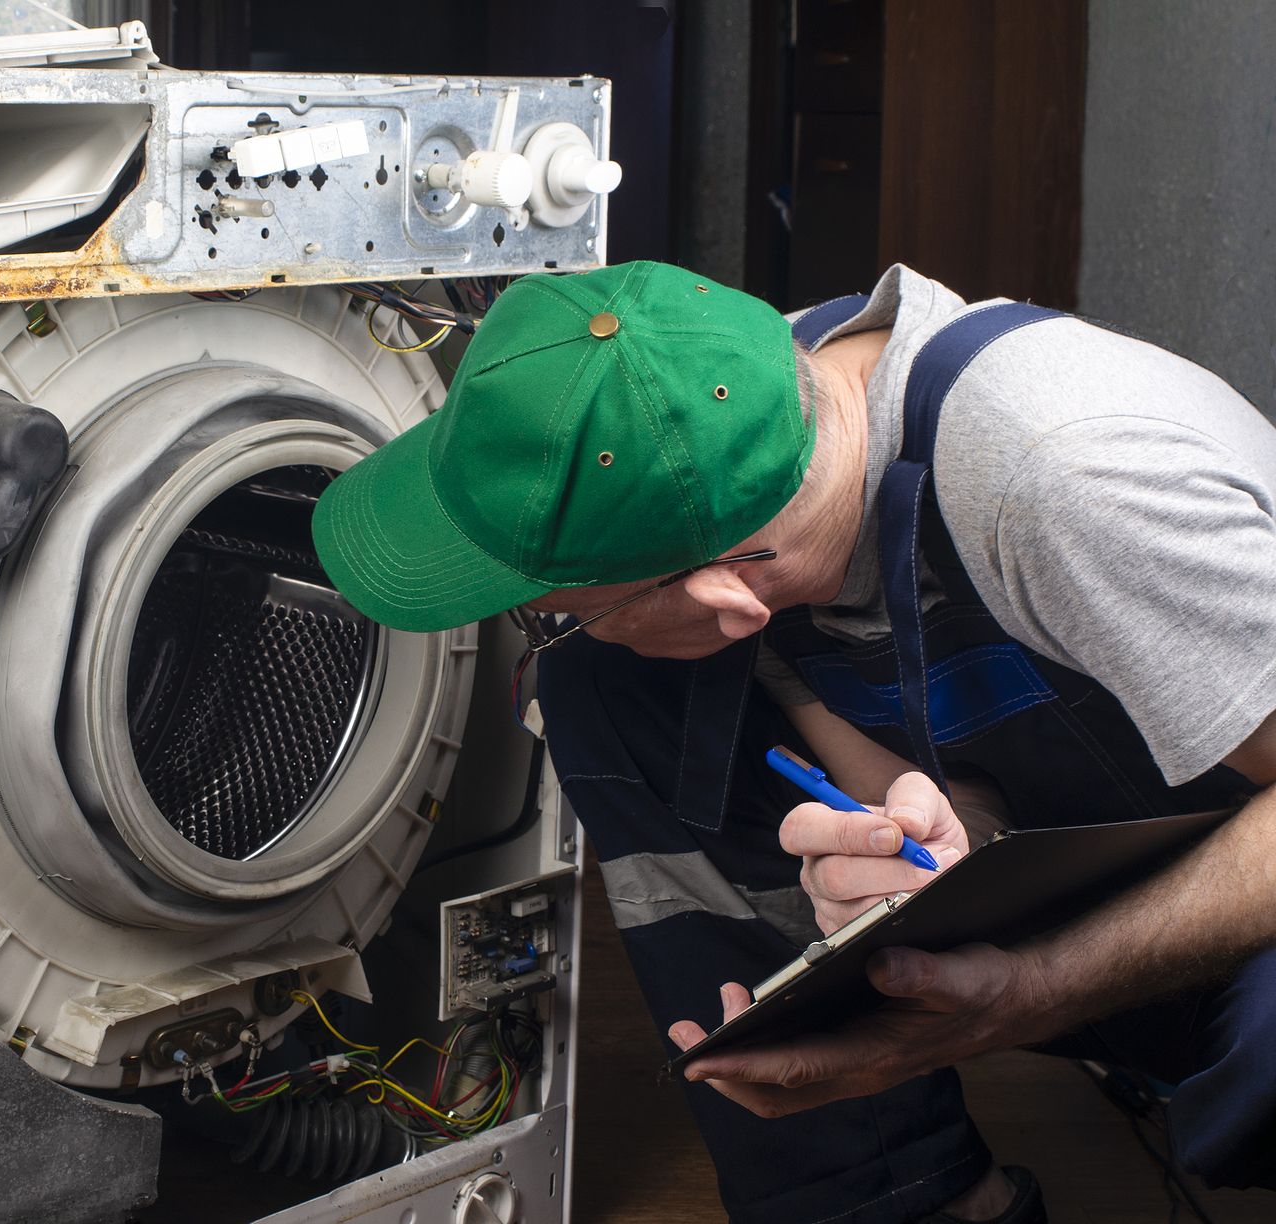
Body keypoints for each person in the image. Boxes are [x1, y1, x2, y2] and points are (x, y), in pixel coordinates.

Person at [310, 260, 1276, 1224]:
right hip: (1133, 835)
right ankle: (901, 1202)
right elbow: (929, 768)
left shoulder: (1068, 485)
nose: (545, 630)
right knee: (604, 680)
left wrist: (1030, 989)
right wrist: (949, 854)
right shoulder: (732, 408)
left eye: (553, 615)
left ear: (722, 604)